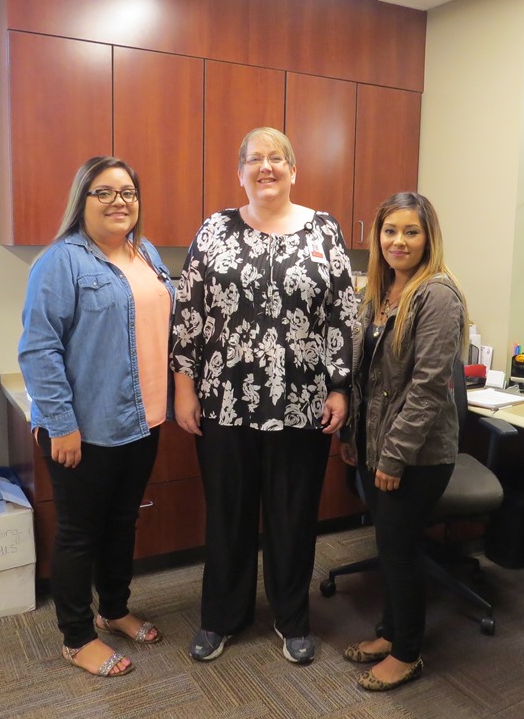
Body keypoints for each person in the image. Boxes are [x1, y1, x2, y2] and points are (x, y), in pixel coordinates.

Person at [170, 127, 357, 665]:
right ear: (241, 173)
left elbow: (343, 315)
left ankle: (291, 618)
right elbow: (190, 314)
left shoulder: (324, 231)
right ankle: (221, 617)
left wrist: (340, 387)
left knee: (292, 515)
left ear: (294, 170)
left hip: (303, 403)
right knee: (227, 514)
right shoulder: (215, 230)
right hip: (224, 401)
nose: (266, 167)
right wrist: (184, 388)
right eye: (255, 159)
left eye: (277, 159)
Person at [18, 156, 174, 678]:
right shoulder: (61, 262)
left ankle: (114, 609)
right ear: (82, 200)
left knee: (122, 523)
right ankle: (77, 636)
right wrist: (60, 423)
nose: (118, 202)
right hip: (84, 428)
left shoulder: (146, 253)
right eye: (103, 192)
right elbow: (39, 349)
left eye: (127, 192)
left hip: (145, 419)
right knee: (80, 534)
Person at [338, 191, 467, 691]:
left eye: (410, 231)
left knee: (400, 549)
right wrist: (355, 440)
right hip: (376, 444)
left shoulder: (436, 296)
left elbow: (429, 386)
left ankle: (408, 652)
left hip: (416, 455)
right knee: (391, 545)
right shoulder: (379, 291)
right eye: (390, 231)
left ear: (428, 237)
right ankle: (391, 632)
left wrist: (392, 457)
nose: (399, 241)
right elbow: (366, 378)